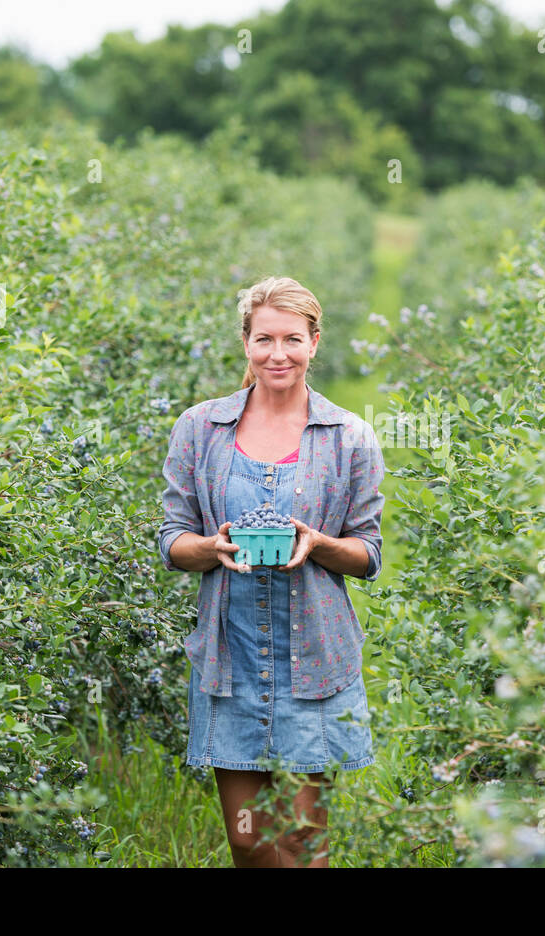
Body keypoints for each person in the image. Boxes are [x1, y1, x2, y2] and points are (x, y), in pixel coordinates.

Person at [157, 275, 385, 867]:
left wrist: (319, 545)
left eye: (291, 339)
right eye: (263, 339)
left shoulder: (349, 438)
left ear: (314, 342)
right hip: (230, 657)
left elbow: (369, 554)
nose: (276, 354)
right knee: (249, 838)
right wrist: (212, 547)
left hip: (315, 659)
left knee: (303, 838)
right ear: (245, 343)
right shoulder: (201, 429)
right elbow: (172, 540)